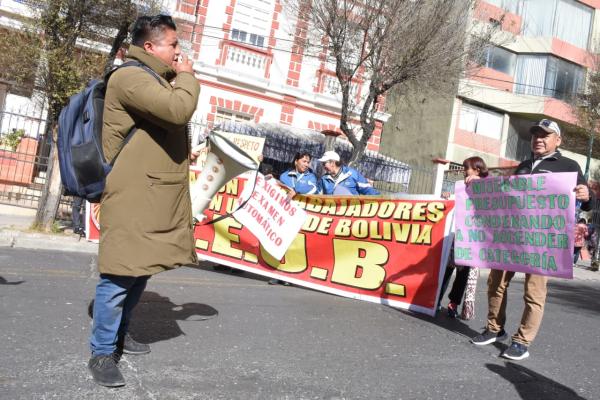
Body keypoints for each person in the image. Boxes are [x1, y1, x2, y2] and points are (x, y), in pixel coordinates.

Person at [88, 15, 201, 387]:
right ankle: (102, 352)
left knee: (140, 271)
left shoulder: (152, 79)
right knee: (119, 275)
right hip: (132, 195)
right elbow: (177, 111)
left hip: (150, 194)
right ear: (150, 47)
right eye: (173, 46)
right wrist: (187, 76)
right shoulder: (130, 77)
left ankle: (120, 333)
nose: (179, 53)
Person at [471, 119, 593, 361]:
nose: (538, 138)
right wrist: (476, 187)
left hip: (541, 243)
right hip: (511, 238)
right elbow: (506, 196)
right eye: (536, 134)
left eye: (545, 135)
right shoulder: (524, 165)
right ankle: (495, 329)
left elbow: (589, 203)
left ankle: (521, 341)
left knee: (534, 292)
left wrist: (587, 195)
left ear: (558, 140)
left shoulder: (569, 166)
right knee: (496, 283)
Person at [439, 156, 488, 319]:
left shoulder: (488, 187)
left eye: (466, 168)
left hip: (472, 240)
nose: (464, 171)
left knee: (463, 274)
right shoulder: (462, 187)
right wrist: (448, 196)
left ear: (477, 170)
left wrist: (479, 183)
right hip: (456, 237)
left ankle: (453, 304)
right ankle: (436, 300)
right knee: (446, 269)